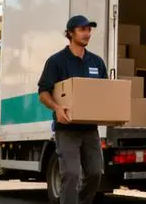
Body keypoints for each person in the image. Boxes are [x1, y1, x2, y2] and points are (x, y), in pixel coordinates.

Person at [37, 15, 106, 204]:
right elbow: (43, 92)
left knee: (94, 174)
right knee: (71, 174)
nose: (87, 33)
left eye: (89, 30)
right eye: (82, 29)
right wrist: (57, 108)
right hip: (66, 129)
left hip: (90, 129)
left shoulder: (97, 62)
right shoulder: (57, 61)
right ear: (70, 33)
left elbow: (105, 93)